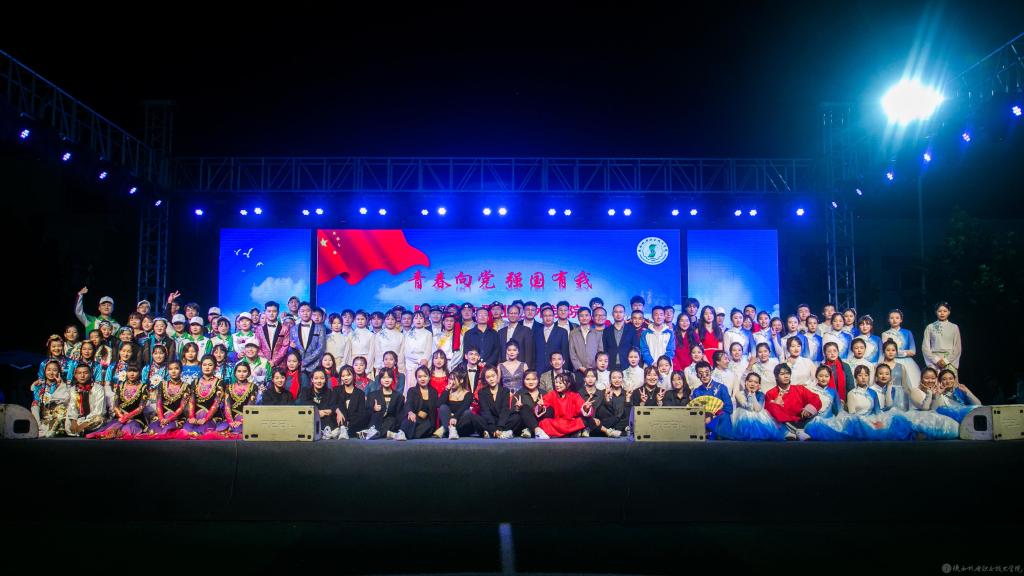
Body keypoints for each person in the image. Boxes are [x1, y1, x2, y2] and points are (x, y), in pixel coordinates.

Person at [87, 364, 147, 439]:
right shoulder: (121, 386)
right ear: (126, 372)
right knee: (110, 429)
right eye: (129, 371)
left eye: (135, 371)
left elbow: (141, 407)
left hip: (136, 418)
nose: (132, 374)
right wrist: (122, 416)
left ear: (140, 373)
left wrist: (127, 417)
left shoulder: (143, 387)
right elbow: (115, 406)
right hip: (120, 417)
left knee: (127, 430)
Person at [764, 363, 821, 441]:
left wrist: (809, 409)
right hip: (783, 423)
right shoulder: (770, 393)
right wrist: (775, 403)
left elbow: (815, 398)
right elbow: (767, 413)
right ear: (776, 376)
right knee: (771, 406)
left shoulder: (800, 389)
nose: (786, 376)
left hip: (801, 420)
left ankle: (793, 431)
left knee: (816, 413)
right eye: (782, 374)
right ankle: (797, 431)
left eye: (788, 373)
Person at [730, 372, 786, 441]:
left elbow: (758, 409)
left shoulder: (761, 395)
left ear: (759, 385)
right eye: (750, 381)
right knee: (748, 414)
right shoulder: (739, 393)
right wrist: (749, 394)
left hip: (757, 414)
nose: (752, 384)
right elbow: (747, 406)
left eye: (756, 382)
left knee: (758, 414)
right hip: (742, 416)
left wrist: (753, 394)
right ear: (746, 382)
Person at [184, 356, 227, 437]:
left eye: (210, 365)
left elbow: (217, 403)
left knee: (201, 432)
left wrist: (206, 419)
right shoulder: (195, 382)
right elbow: (191, 401)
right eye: (204, 365)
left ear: (215, 367)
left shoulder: (220, 383)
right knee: (186, 430)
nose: (207, 367)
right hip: (195, 417)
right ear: (201, 366)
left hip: (212, 417)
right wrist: (192, 417)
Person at [688, 361, 733, 439]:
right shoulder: (696, 392)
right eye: (701, 373)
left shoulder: (721, 388)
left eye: (707, 372)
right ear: (697, 375)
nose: (704, 376)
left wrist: (713, 416)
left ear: (711, 372)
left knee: (725, 416)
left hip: (719, 419)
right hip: (703, 420)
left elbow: (729, 408)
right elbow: (694, 411)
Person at [536, 373, 585, 438]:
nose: (557, 385)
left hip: (570, 423)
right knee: (544, 422)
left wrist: (586, 408)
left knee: (582, 421)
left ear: (568, 384)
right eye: (556, 382)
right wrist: (540, 406)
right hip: (556, 423)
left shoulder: (575, 396)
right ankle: (570, 433)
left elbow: (582, 408)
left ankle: (561, 434)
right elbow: (542, 404)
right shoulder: (552, 394)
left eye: (560, 383)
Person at [881, 309, 921, 390]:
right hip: (892, 361)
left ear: (901, 320)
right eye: (892, 318)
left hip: (908, 363)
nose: (894, 320)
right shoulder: (885, 334)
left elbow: (913, 351)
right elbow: (886, 350)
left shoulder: (908, 333)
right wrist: (904, 352)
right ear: (888, 320)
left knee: (911, 386)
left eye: (897, 318)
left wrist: (896, 352)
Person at [437, 368, 481, 439]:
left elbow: (464, 407)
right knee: (443, 407)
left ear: (461, 380)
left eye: (454, 379)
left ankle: (447, 429)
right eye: (450, 379)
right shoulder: (447, 392)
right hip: (449, 422)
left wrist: (454, 417)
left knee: (468, 413)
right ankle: (450, 429)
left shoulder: (468, 394)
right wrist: (447, 390)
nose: (451, 382)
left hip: (462, 427)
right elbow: (439, 404)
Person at [31, 360, 70, 437]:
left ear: (59, 372)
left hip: (58, 415)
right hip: (44, 416)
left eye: (55, 370)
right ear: (44, 371)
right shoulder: (39, 385)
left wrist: (60, 385)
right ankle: (38, 427)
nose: (51, 373)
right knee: (34, 403)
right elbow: (36, 401)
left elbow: (65, 400)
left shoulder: (63, 385)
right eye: (49, 370)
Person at [66, 364, 107, 436]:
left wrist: (85, 424)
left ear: (90, 374)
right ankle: (80, 431)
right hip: (79, 419)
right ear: (75, 375)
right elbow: (72, 407)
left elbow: (99, 411)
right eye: (79, 373)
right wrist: (73, 421)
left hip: (92, 419)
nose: (82, 376)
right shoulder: (73, 389)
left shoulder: (98, 389)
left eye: (85, 373)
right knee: (67, 421)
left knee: (99, 419)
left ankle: (83, 431)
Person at [399, 366, 438, 440]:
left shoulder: (433, 392)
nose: (422, 379)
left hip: (427, 421)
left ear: (429, 377)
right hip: (414, 417)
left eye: (425, 376)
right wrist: (410, 412)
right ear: (416, 378)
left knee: (427, 426)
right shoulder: (412, 390)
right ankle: (402, 433)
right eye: (419, 377)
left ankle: (404, 434)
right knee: (410, 419)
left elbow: (434, 410)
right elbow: (408, 403)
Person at [331, 365, 371, 439]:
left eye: (348, 375)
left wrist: (349, 422)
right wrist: (338, 411)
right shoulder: (336, 390)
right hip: (339, 418)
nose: (345, 378)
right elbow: (332, 404)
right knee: (339, 406)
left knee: (366, 414)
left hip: (353, 420)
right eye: (343, 376)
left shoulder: (360, 393)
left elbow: (361, 412)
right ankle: (344, 429)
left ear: (353, 375)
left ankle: (344, 429)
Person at [922, 302, 962, 374]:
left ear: (949, 312)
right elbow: (925, 348)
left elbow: (957, 348)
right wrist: (936, 360)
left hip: (950, 361)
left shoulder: (954, 327)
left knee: (949, 380)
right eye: (939, 311)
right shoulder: (930, 327)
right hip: (934, 362)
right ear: (936, 312)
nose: (942, 313)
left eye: (945, 311)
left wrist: (946, 361)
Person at [477, 365, 516, 438]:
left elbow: (505, 409)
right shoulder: (481, 392)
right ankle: (497, 433)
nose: (491, 379)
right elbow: (485, 411)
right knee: (475, 418)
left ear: (497, 376)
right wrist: (493, 428)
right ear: (485, 379)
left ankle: (492, 433)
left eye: (493, 376)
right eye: (488, 377)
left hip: (502, 421)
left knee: (516, 417)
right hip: (489, 421)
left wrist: (499, 427)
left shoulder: (505, 391)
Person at [299, 367, 337, 438]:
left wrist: (329, 411)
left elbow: (331, 408)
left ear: (325, 380)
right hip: (310, 420)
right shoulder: (306, 391)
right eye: (316, 378)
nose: (319, 381)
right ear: (312, 380)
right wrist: (317, 412)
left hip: (326, 420)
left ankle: (326, 431)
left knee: (330, 418)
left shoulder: (329, 392)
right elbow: (305, 406)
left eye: (322, 378)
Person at [367, 368, 404, 439]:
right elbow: (367, 413)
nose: (386, 380)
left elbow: (399, 415)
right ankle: (389, 434)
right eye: (383, 378)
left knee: (391, 420)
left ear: (393, 379)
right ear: (380, 380)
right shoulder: (372, 395)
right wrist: (374, 409)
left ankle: (375, 434)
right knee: (376, 415)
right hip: (376, 422)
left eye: (389, 377)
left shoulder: (399, 396)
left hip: (391, 423)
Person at [291, 302, 327, 374]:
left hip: (315, 366)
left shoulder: (320, 328)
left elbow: (321, 348)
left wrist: (305, 362)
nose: (305, 313)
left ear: (311, 312)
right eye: (302, 311)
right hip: (298, 367)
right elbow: (292, 347)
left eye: (308, 311)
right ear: (299, 313)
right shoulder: (293, 329)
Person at [533, 306, 570, 375]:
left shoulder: (562, 332)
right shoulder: (536, 331)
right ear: (541, 317)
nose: (548, 318)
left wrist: (564, 372)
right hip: (539, 370)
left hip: (556, 369)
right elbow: (533, 352)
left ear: (554, 316)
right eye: (545, 316)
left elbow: (565, 353)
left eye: (550, 315)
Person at [497, 303, 534, 368]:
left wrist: (527, 370)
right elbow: (499, 353)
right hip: (504, 367)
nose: (513, 315)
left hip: (520, 368)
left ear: (519, 315)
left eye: (515, 313)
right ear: (507, 314)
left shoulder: (526, 330)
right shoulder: (501, 332)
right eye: (511, 313)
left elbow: (529, 354)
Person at [511, 370, 546, 438]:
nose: (531, 382)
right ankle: (536, 430)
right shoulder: (519, 394)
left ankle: (534, 431)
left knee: (549, 409)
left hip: (541, 423)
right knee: (524, 408)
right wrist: (517, 409)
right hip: (524, 424)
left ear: (538, 380)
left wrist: (542, 408)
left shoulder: (544, 393)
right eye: (527, 379)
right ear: (523, 380)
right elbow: (512, 415)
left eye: (534, 379)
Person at [568, 307, 603, 374]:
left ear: (590, 317)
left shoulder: (597, 333)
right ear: (578, 318)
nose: (584, 318)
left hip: (594, 369)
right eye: (581, 316)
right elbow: (572, 353)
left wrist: (596, 366)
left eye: (586, 315)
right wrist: (581, 367)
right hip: (579, 370)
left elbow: (600, 351)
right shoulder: (573, 333)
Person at [256, 301, 291, 368]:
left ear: (278, 312)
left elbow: (285, 346)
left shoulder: (285, 328)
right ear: (265, 312)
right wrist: (266, 362)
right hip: (263, 364)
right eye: (269, 311)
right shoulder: (259, 329)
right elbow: (257, 347)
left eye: (274, 311)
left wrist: (274, 361)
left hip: (280, 365)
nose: (271, 314)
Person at [403, 311, 433, 385]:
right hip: (411, 364)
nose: (418, 320)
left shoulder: (428, 334)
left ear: (424, 320)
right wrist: (419, 360)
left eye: (421, 318)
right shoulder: (408, 334)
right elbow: (406, 351)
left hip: (425, 363)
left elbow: (429, 350)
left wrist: (424, 360)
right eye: (416, 318)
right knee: (411, 386)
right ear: (413, 320)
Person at [822, 341, 854, 408]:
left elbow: (850, 386)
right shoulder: (822, 367)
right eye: (829, 351)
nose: (832, 353)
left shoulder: (845, 366)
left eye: (834, 351)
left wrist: (848, 401)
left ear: (838, 352)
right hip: (828, 401)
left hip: (845, 401)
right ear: (825, 353)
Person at [577, 368, 605, 437]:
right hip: (584, 421)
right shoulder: (579, 393)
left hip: (598, 422)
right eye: (587, 376)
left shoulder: (601, 393)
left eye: (592, 376)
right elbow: (578, 411)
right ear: (584, 379)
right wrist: (591, 420)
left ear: (596, 378)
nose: (590, 379)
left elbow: (603, 411)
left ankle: (589, 428)